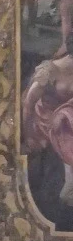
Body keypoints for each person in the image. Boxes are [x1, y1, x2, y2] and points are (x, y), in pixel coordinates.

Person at [23, 38, 73, 203]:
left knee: (66, 114)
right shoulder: (51, 70)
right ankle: (69, 185)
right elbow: (28, 103)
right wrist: (28, 133)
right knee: (64, 118)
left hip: (68, 114)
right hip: (47, 118)